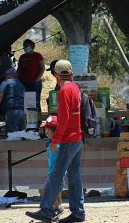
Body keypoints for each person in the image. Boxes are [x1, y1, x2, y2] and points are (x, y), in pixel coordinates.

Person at [26, 60, 85, 223]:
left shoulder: (64, 90)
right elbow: (71, 116)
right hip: (78, 138)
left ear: (55, 75)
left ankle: (46, 210)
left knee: (56, 175)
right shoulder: (74, 88)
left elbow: (65, 119)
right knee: (74, 176)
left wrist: (56, 139)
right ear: (71, 73)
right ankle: (78, 212)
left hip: (67, 139)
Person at [40, 115, 64, 217]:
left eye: (48, 130)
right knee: (57, 192)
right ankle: (57, 207)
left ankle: (57, 208)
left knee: (45, 190)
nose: (46, 132)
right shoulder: (52, 142)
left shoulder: (56, 144)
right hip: (56, 172)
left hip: (55, 173)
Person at [0, 68, 26, 133]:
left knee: (13, 135)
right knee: (22, 134)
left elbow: (0, 94)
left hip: (12, 111)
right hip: (22, 112)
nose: (5, 77)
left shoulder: (6, 82)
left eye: (6, 75)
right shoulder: (21, 85)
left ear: (10, 75)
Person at [17, 39, 45, 111]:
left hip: (35, 82)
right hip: (24, 83)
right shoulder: (22, 57)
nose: (25, 48)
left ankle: (38, 120)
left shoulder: (38, 56)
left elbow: (42, 68)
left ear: (32, 46)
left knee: (36, 102)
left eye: (26, 46)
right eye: (24, 46)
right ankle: (29, 120)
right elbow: (19, 70)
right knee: (28, 103)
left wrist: (36, 80)